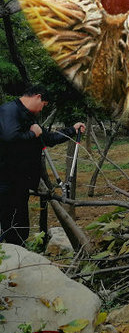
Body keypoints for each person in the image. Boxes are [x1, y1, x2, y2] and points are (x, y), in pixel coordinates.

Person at [0, 84, 85, 246]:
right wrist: (33, 133)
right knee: (9, 226)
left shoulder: (28, 116)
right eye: (43, 105)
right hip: (5, 181)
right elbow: (9, 138)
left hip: (20, 182)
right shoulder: (9, 111)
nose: (41, 110)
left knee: (20, 227)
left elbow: (48, 139)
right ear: (38, 96)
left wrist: (72, 130)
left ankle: (17, 258)